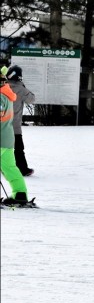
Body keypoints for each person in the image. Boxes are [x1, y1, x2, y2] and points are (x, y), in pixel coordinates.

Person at [0, 68, 30, 206]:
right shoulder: (7, 94)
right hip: (7, 140)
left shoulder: (1, 97)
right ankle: (20, 194)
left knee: (9, 168)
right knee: (10, 168)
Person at [5, 65, 36, 176]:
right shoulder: (21, 89)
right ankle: (23, 169)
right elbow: (32, 99)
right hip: (14, 127)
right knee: (18, 149)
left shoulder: (2, 87)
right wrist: (23, 86)